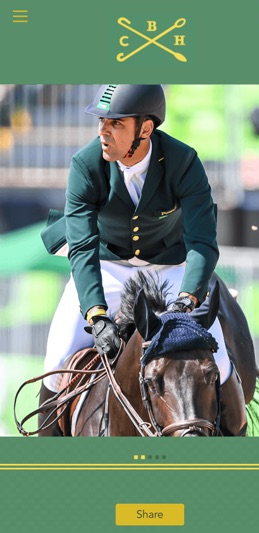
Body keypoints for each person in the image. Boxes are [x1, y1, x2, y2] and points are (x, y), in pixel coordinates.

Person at [39, 84, 246, 436]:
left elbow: (202, 241)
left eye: (116, 124)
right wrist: (97, 315)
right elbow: (83, 245)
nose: (104, 131)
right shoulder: (86, 164)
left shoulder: (183, 162)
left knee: (220, 364)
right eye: (101, 121)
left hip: (170, 267)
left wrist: (188, 298)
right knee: (58, 362)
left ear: (145, 129)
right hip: (108, 266)